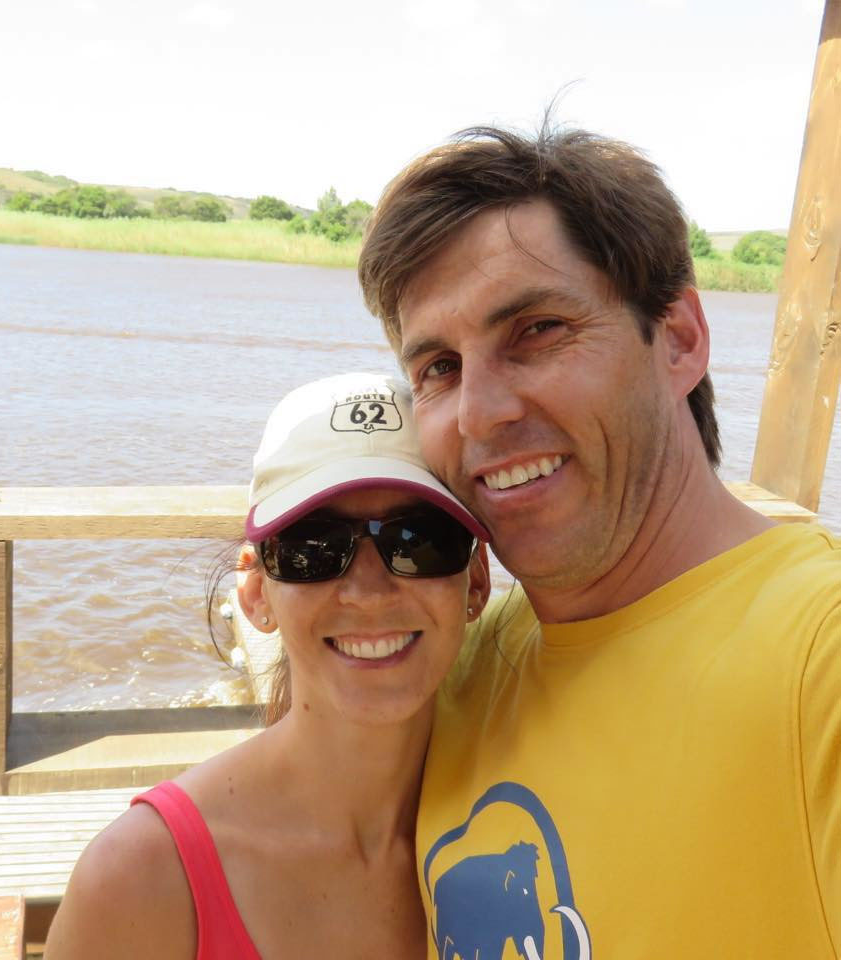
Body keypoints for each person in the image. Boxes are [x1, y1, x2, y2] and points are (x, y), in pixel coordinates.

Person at [358, 125, 841, 958]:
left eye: (538, 330)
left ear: (679, 339)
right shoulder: (458, 668)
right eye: (437, 366)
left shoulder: (816, 659)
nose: (479, 412)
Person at [44, 372, 490, 959]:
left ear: (476, 580)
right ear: (256, 592)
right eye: (312, 549)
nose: (367, 590)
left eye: (420, 539)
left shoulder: (513, 822)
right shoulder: (142, 879)